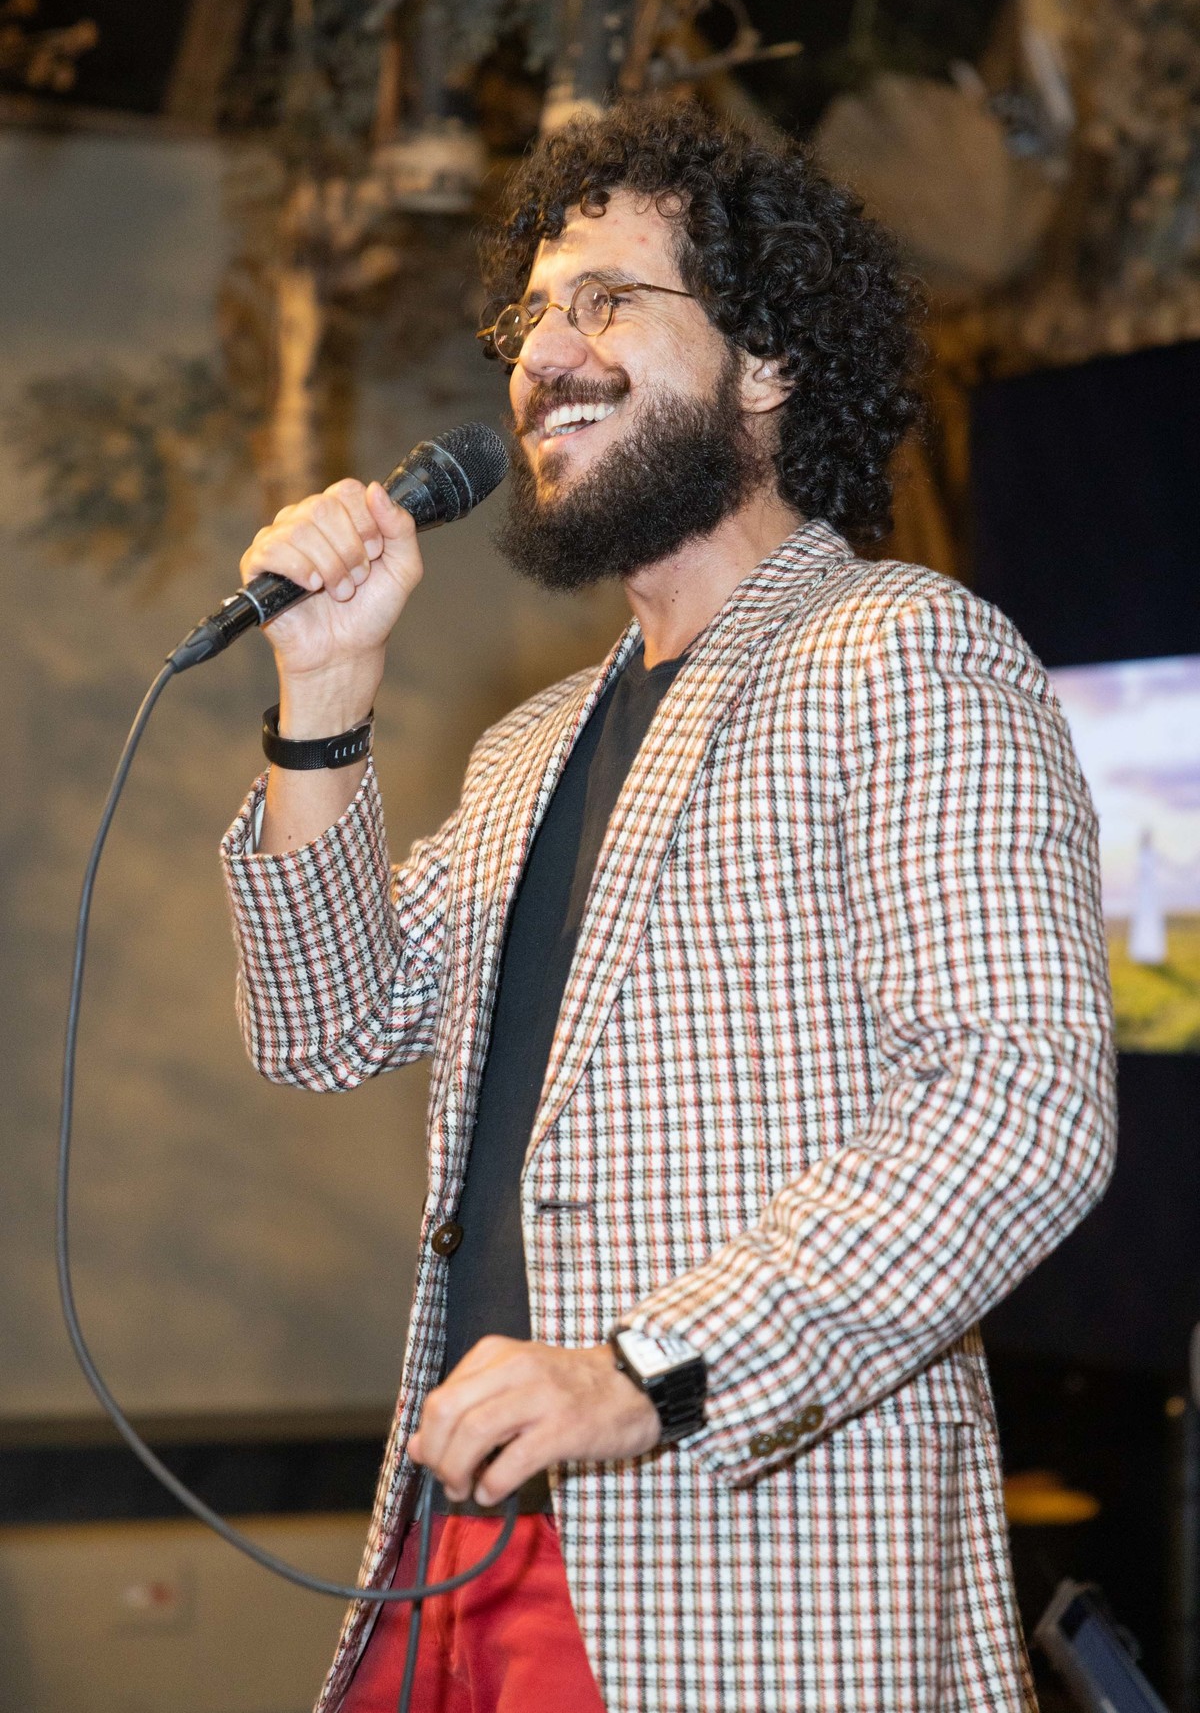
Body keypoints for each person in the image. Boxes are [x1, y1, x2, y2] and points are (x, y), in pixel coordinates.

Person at [221, 100, 1116, 1713]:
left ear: (767, 360)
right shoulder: (530, 748)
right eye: (529, 318)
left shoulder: (902, 650)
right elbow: (320, 1023)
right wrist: (325, 697)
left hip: (738, 1580)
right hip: (458, 1558)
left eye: (607, 301)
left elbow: (1021, 1105)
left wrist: (651, 1371)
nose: (543, 354)